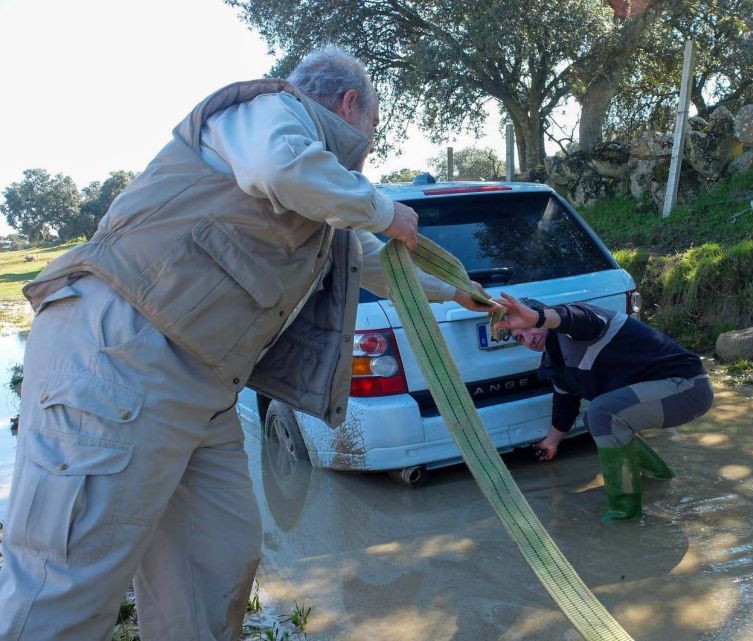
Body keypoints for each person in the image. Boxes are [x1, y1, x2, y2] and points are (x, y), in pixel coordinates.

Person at [0, 46, 491, 641]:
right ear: (349, 104)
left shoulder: (320, 209)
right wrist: (386, 211)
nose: (370, 145)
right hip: (116, 361)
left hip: (202, 392)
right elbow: (280, 168)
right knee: (64, 586)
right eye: (374, 128)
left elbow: (370, 263)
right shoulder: (269, 111)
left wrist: (467, 294)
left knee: (215, 572)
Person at [494, 293, 714, 523]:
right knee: (595, 418)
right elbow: (565, 404)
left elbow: (577, 318)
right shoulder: (555, 361)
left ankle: (624, 516)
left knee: (602, 414)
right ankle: (658, 477)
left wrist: (537, 317)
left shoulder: (575, 324)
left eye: (528, 328)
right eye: (520, 338)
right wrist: (551, 442)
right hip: (667, 392)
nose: (528, 339)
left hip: (687, 387)